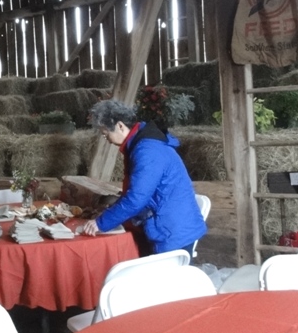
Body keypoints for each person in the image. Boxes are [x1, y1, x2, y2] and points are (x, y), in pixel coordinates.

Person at [81, 99, 206, 257]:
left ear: (120, 126)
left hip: (172, 232)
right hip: (169, 222)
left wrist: (101, 223)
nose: (108, 140)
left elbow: (136, 198)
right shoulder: (141, 144)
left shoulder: (147, 151)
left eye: (106, 134)